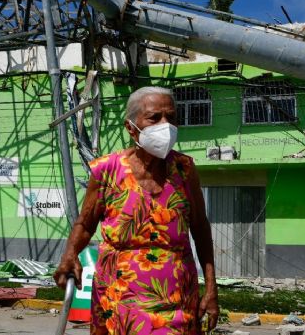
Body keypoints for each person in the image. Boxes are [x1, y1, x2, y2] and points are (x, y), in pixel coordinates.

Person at [54, 86, 219, 335]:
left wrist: (211, 288)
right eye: (154, 118)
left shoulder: (184, 169)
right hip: (117, 298)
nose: (166, 125)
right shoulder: (106, 170)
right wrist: (69, 254)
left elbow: (200, 228)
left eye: (171, 118)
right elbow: (86, 223)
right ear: (131, 127)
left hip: (177, 297)